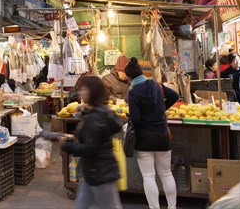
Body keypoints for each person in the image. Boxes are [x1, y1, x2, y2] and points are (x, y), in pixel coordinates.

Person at [60, 76, 123, 209]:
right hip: (93, 171)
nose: (80, 93)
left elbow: (89, 148)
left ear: (92, 91)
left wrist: (66, 145)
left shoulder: (94, 118)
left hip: (100, 172)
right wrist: (86, 112)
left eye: (83, 89)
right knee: (82, 205)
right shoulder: (101, 111)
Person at [125, 57, 179, 209]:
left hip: (144, 139)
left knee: (149, 177)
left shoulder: (134, 92)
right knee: (166, 174)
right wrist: (161, 108)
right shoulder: (156, 85)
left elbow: (136, 118)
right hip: (162, 136)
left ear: (129, 78)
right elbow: (174, 96)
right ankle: (172, 207)